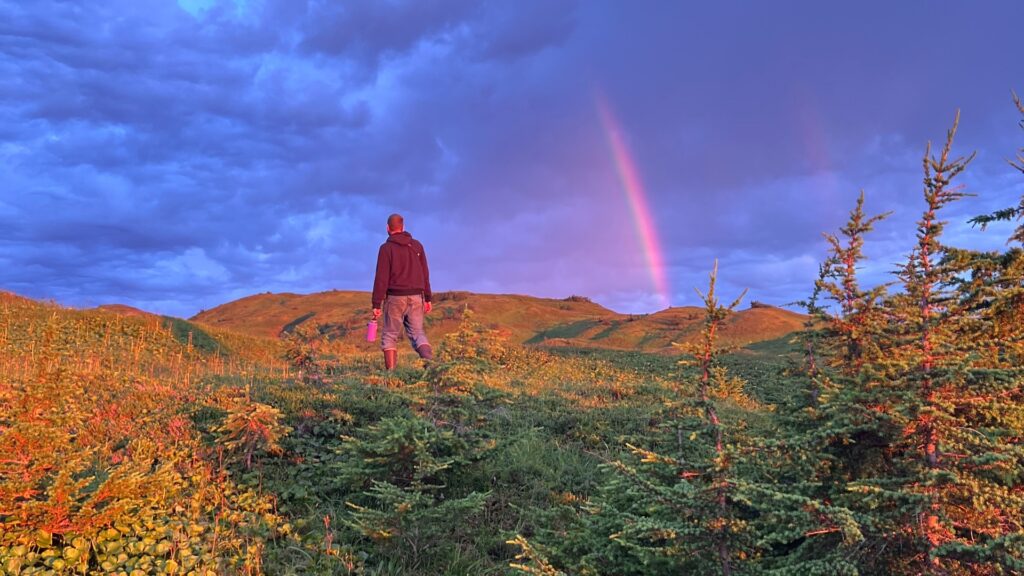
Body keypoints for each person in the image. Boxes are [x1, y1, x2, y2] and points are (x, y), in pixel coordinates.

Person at [371, 213, 433, 370]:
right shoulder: (417, 246)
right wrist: (427, 298)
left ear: (387, 228)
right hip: (417, 297)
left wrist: (376, 304)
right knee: (418, 333)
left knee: (390, 335)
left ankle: (391, 377)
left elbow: (381, 278)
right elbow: (425, 273)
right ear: (403, 227)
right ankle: (432, 368)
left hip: (395, 298)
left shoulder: (386, 249)